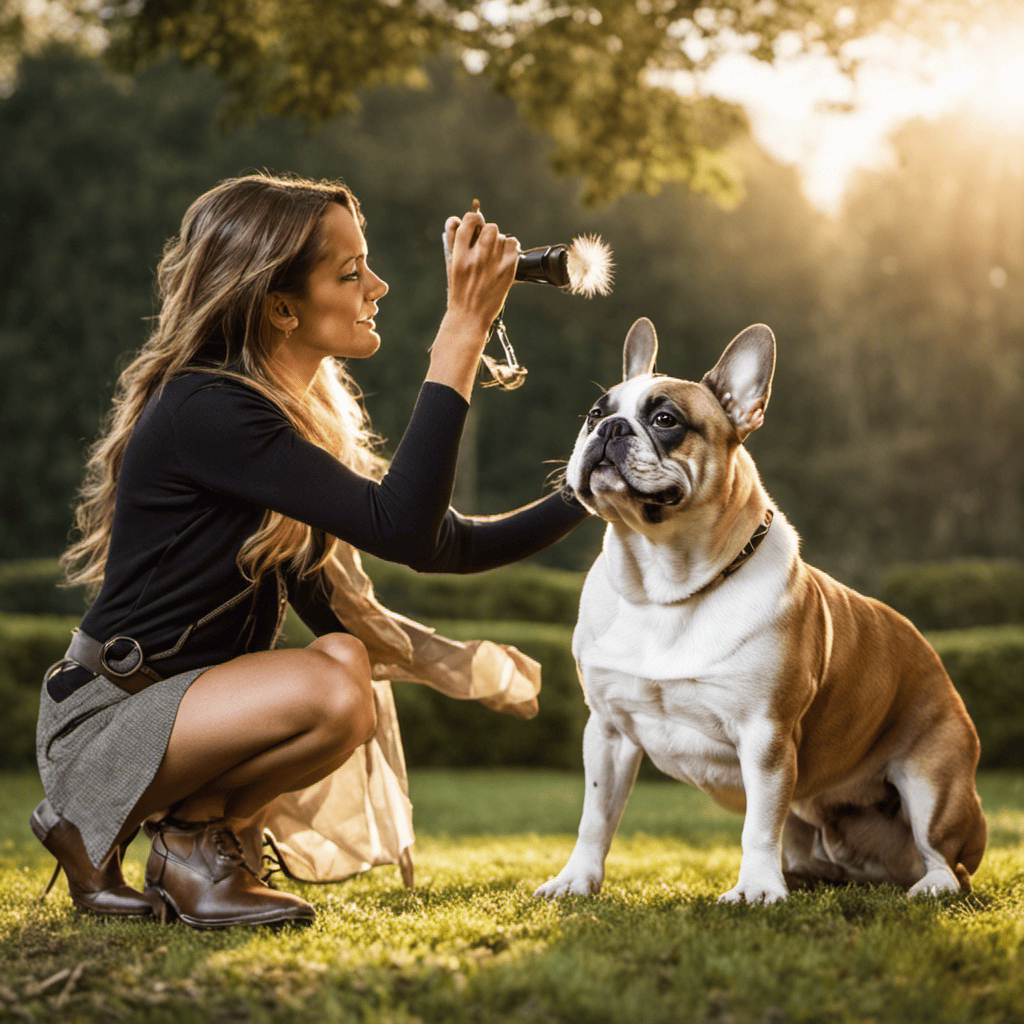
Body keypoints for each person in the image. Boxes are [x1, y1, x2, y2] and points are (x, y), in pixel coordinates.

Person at [33, 173, 589, 930]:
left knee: (343, 665)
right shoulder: (209, 409)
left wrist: (586, 495)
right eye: (351, 271)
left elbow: (437, 542)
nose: (380, 286)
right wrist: (462, 328)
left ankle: (198, 849)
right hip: (106, 724)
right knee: (335, 688)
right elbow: (402, 527)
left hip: (184, 719)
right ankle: (170, 838)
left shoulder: (272, 424)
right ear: (280, 307)